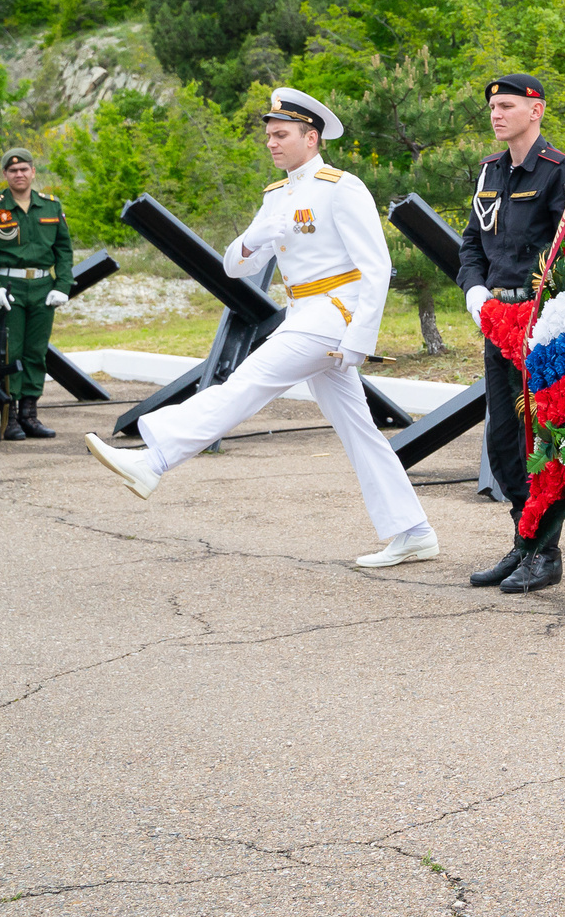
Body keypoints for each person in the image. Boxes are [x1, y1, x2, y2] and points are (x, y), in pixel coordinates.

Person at [85, 88, 438, 568]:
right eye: (269, 135)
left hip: (332, 313)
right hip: (303, 313)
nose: (271, 143)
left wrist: (360, 336)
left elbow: (376, 267)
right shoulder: (277, 194)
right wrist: (252, 241)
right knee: (359, 431)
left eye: (281, 135)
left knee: (247, 383)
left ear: (310, 138)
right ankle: (413, 531)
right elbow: (233, 266)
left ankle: (154, 459)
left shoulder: (341, 187)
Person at [457, 74, 565, 593]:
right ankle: (523, 540)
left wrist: (545, 313)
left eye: (507, 105)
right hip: (497, 323)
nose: (496, 114)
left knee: (540, 440)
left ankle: (545, 553)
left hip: (541, 328)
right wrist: (475, 292)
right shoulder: (489, 172)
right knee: (504, 439)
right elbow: (471, 245)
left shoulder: (559, 173)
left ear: (537, 111)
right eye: (492, 106)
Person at [0, 149, 72, 440]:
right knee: (11, 351)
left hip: (42, 288)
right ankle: (8, 415)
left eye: (24, 169)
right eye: (13, 170)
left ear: (33, 172)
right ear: (5, 175)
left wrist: (62, 286)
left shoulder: (50, 206)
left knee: (36, 351)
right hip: (10, 288)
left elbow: (64, 251)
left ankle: (29, 413)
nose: (19, 174)